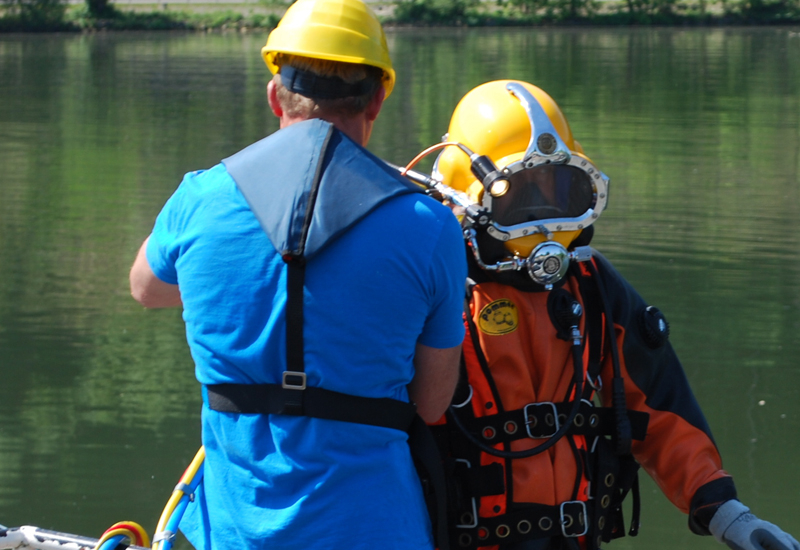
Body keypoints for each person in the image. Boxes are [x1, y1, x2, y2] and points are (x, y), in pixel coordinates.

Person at [128, 0, 467, 548]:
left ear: (273, 97)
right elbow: (430, 404)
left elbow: (146, 288)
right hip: (376, 531)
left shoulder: (201, 196)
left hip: (231, 533)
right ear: (377, 99)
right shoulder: (429, 227)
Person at [422, 80, 799, 550]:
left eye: (560, 190)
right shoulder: (434, 286)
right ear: (470, 197)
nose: (545, 217)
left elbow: (659, 405)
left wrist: (725, 512)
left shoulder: (591, 285)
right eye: (522, 194)